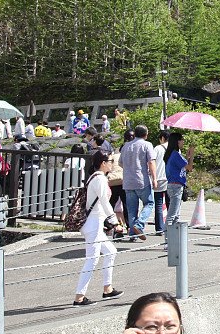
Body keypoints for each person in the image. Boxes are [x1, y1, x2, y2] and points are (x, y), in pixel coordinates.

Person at [73, 151, 124, 306]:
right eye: (110, 161)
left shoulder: (95, 177)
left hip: (94, 223)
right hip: (93, 224)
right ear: (103, 163)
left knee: (111, 251)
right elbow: (104, 202)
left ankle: (107, 289)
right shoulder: (100, 179)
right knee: (92, 259)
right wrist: (115, 221)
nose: (112, 163)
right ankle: (79, 297)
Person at [119, 125, 156, 242]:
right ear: (146, 134)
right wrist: (154, 178)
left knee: (131, 209)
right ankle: (139, 225)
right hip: (142, 180)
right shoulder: (147, 145)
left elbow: (120, 163)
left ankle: (132, 233)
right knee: (149, 203)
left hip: (128, 181)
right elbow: (151, 162)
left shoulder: (126, 146)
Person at [163, 131, 194, 227]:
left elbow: (185, 168)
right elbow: (190, 168)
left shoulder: (173, 154)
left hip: (174, 185)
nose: (183, 142)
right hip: (176, 185)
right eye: (182, 140)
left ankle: (174, 238)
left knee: (176, 215)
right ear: (177, 141)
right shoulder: (175, 155)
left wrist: (188, 157)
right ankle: (168, 237)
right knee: (172, 215)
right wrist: (192, 156)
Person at [151, 132, 168, 235]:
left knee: (158, 203)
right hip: (170, 179)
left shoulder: (157, 148)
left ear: (162, 138)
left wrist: (153, 178)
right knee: (170, 204)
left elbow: (152, 162)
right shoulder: (176, 149)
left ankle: (159, 228)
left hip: (159, 178)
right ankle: (171, 226)